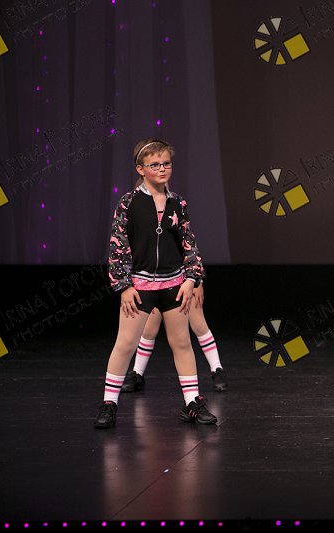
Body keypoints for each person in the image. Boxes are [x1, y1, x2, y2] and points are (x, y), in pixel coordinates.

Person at [94, 138, 217, 429]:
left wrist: (191, 279)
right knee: (125, 344)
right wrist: (124, 286)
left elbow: (189, 244)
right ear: (141, 169)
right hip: (140, 287)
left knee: (182, 343)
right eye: (155, 165)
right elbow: (118, 245)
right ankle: (109, 403)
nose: (162, 169)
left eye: (166, 163)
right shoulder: (129, 203)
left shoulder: (178, 203)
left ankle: (192, 402)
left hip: (174, 284)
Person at [120, 285, 228, 393]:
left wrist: (198, 283)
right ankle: (138, 373)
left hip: (183, 281)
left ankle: (216, 368)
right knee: (149, 330)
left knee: (198, 324)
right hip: (157, 284)